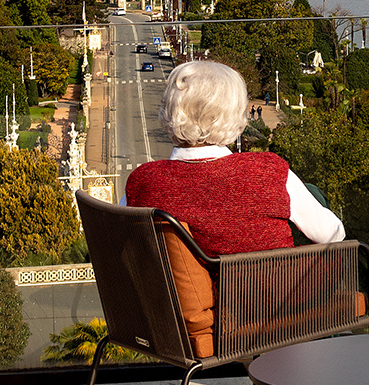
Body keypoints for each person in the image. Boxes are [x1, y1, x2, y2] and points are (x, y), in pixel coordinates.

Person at [124, 60, 344, 253]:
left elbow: (122, 242)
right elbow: (332, 235)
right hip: (278, 294)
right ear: (235, 115)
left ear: (170, 111)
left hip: (182, 300)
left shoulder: (143, 181)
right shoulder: (268, 171)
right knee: (313, 196)